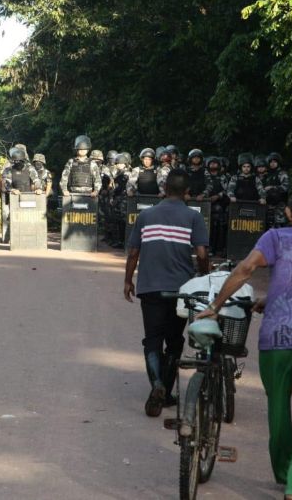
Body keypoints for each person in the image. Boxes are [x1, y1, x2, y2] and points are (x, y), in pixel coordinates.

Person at [195, 188, 292, 500]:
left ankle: (284, 470)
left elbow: (246, 268)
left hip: (277, 338)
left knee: (278, 409)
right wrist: (270, 298)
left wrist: (216, 306)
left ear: (288, 213)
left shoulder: (275, 237)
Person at [124, 170, 210, 417]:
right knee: (174, 341)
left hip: (150, 287)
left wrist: (128, 281)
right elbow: (202, 254)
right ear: (187, 193)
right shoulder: (193, 217)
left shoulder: (146, 215)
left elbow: (133, 252)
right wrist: (204, 278)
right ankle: (167, 392)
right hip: (181, 290)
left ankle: (157, 385)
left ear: (163, 189)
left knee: (152, 339)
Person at [1, 147, 42, 241]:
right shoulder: (8, 170)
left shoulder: (30, 168)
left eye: (19, 161)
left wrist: (38, 188)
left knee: (28, 218)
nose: (17, 163)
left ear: (23, 160)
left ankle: (29, 238)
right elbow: (6, 183)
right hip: (13, 197)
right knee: (12, 218)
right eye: (15, 161)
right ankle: (11, 239)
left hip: (27, 197)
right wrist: (12, 190)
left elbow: (36, 180)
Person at [258, 152, 290, 229]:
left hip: (279, 206)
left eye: (274, 162)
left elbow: (285, 187)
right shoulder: (268, 175)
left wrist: (272, 187)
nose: (272, 164)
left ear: (278, 163)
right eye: (271, 162)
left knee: (280, 226)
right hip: (269, 205)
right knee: (269, 225)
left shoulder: (282, 173)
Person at [107, 152, 131, 248]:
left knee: (123, 220)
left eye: (121, 163)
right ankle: (118, 240)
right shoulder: (117, 173)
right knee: (116, 220)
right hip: (117, 198)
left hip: (124, 199)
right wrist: (112, 196)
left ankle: (123, 241)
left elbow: (123, 187)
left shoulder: (127, 173)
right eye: (117, 163)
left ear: (125, 164)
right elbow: (114, 187)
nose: (119, 165)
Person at [205, 156, 228, 256]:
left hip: (218, 205)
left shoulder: (223, 177)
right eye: (211, 163)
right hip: (204, 203)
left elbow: (227, 190)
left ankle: (216, 249)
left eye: (215, 163)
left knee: (217, 227)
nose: (213, 165)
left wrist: (218, 196)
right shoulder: (205, 175)